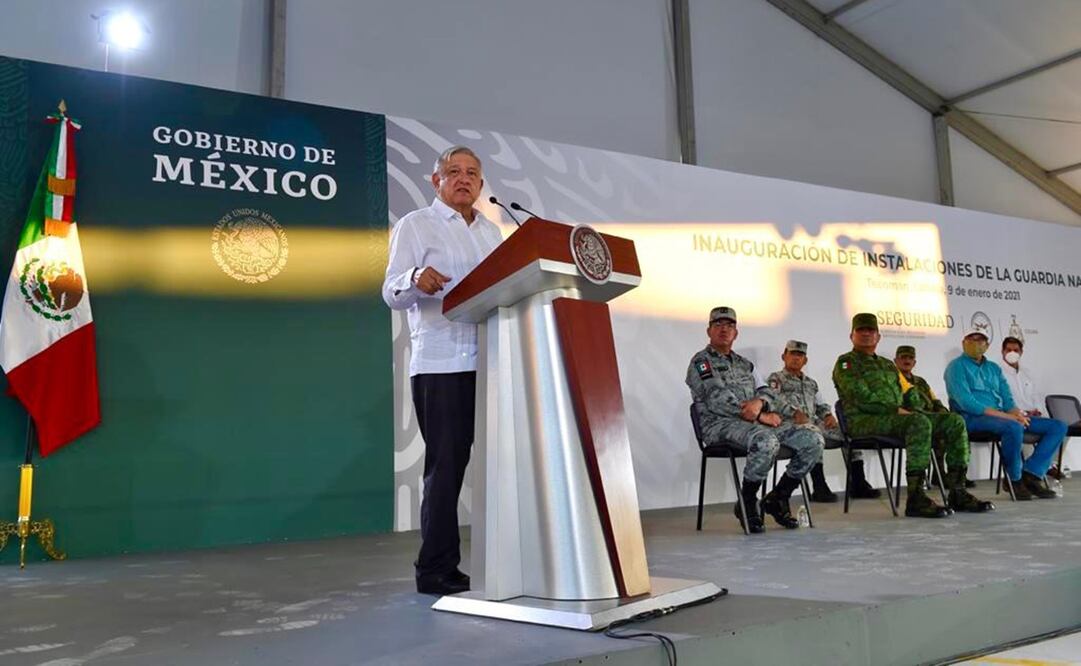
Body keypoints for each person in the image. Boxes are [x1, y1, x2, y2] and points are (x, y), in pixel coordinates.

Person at [382, 146, 504, 595]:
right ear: (436, 181)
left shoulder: (492, 232)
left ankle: (505, 560)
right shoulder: (417, 225)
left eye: (472, 173)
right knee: (447, 467)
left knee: (499, 464)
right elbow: (390, 291)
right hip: (443, 365)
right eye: (453, 171)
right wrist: (414, 278)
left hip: (492, 362)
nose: (464, 179)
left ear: (481, 183)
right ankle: (434, 568)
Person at [833, 314, 991, 517]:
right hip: (863, 420)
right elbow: (859, 396)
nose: (866, 334)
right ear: (851, 336)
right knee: (918, 423)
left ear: (878, 337)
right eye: (860, 330)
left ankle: (958, 492)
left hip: (894, 419)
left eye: (870, 330)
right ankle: (916, 497)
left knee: (954, 421)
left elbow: (906, 392)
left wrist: (920, 409)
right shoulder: (846, 363)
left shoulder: (887, 365)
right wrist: (897, 410)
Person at [686, 307, 824, 533]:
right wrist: (761, 415)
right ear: (709, 331)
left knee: (813, 439)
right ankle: (748, 501)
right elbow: (717, 399)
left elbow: (766, 391)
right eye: (718, 325)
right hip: (719, 425)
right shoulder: (701, 362)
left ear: (736, 333)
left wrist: (766, 405)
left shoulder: (745, 364)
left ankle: (778, 497)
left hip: (753, 425)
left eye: (729, 325)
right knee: (766, 440)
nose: (724, 329)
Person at [944, 327, 1066, 501]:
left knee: (1058, 426)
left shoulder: (993, 368)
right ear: (964, 343)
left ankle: (1031, 475)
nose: (976, 344)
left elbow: (1008, 400)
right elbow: (967, 403)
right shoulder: (956, 367)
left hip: (1000, 417)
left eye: (980, 340)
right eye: (971, 340)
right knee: (1013, 426)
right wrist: (1010, 417)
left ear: (987, 345)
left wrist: (1018, 414)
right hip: (971, 418)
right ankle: (1014, 479)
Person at [766, 340, 880, 503]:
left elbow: (820, 404)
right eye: (792, 354)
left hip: (813, 421)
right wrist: (794, 412)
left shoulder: (811, 383)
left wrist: (827, 415)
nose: (796, 358)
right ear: (784, 356)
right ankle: (819, 487)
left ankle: (858, 483)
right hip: (789, 424)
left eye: (800, 355)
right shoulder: (776, 379)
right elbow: (773, 401)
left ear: (805, 360)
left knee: (848, 433)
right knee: (814, 433)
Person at [893, 345, 975, 489]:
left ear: (914, 362)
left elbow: (934, 400)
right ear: (896, 361)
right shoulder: (893, 380)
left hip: (930, 416)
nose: (907, 361)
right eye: (903, 357)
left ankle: (956, 475)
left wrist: (944, 412)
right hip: (912, 420)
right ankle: (937, 475)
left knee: (955, 424)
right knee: (935, 431)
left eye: (910, 358)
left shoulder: (921, 382)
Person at [999, 336, 1066, 479]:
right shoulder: (998, 373)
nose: (1012, 353)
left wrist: (1038, 411)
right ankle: (1036, 469)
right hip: (1014, 418)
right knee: (1052, 428)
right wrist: (1022, 412)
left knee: (1060, 426)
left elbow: (1036, 396)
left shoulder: (1027, 373)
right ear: (1002, 352)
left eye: (1016, 350)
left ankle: (1035, 469)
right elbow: (1002, 401)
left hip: (1033, 417)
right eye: (1008, 350)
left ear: (1021, 352)